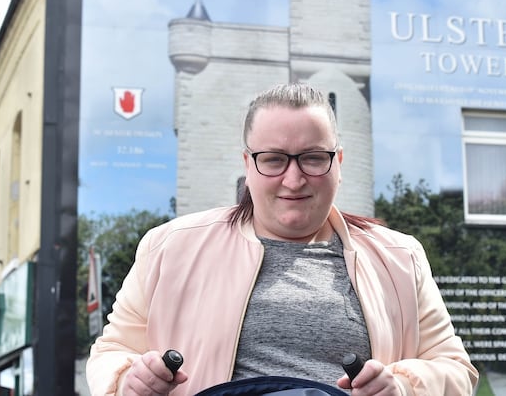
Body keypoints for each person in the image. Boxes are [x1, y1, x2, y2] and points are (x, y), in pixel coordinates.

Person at [86, 83, 478, 396]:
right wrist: (127, 381)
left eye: (312, 157)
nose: (293, 179)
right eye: (273, 159)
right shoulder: (169, 248)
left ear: (338, 163)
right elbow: (111, 352)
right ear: (247, 164)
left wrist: (404, 387)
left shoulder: (400, 257)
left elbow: (456, 370)